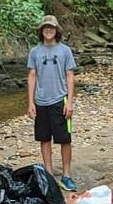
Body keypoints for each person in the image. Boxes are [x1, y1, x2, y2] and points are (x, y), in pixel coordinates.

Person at [27, 14, 77, 191]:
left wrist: (69, 102)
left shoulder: (65, 51)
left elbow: (70, 76)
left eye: (52, 28)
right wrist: (30, 102)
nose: (48, 30)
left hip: (59, 99)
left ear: (57, 30)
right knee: (44, 139)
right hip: (41, 101)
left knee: (65, 139)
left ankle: (66, 175)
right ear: (41, 31)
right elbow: (32, 76)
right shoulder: (35, 52)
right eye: (45, 28)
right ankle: (48, 175)